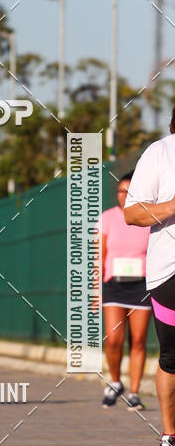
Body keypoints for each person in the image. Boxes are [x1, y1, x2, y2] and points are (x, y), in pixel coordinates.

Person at [124, 107, 175, 446]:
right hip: (169, 272)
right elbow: (133, 213)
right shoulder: (160, 152)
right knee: (173, 357)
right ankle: (170, 438)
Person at [101, 172, 151, 410]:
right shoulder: (107, 218)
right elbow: (98, 256)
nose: (124, 196)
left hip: (141, 285)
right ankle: (114, 382)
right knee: (113, 340)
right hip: (114, 285)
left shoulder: (147, 218)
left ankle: (134, 392)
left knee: (139, 340)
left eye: (129, 192)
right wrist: (94, 290)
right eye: (121, 191)